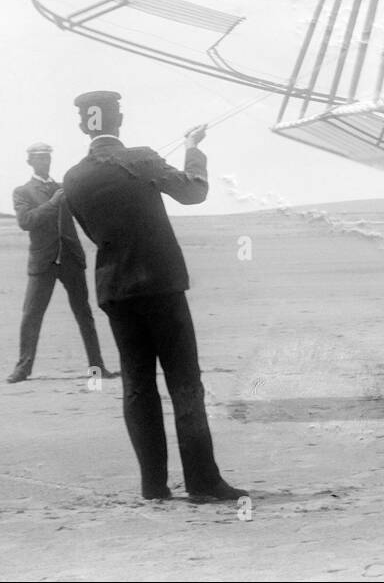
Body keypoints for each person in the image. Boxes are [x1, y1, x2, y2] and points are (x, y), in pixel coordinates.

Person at [61, 91, 247, 504]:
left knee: (137, 386)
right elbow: (193, 192)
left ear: (83, 125)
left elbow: (93, 232)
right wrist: (193, 150)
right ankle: (202, 482)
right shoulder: (141, 157)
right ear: (119, 119)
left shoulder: (73, 178)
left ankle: (153, 485)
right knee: (185, 383)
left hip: (115, 289)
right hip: (160, 283)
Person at [7, 143, 117, 384]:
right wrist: (54, 203)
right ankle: (22, 369)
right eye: (39, 159)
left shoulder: (63, 188)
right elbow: (26, 221)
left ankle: (97, 369)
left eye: (47, 158)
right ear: (30, 162)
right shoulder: (22, 192)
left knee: (84, 314)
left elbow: (85, 213)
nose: (45, 162)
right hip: (43, 261)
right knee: (31, 315)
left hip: (71, 259)